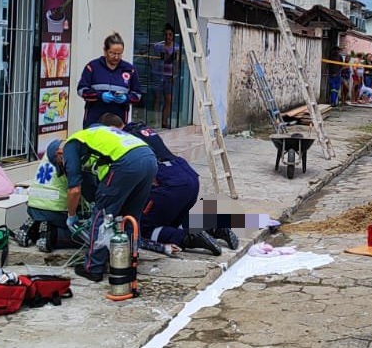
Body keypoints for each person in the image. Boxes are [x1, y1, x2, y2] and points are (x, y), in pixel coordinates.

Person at [99, 113, 237, 255]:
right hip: (187, 174)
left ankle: (187, 238)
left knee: (142, 229)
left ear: (111, 129)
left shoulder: (124, 139)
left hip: (168, 182)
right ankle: (213, 228)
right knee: (174, 219)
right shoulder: (140, 129)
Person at [53, 124, 158, 282]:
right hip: (149, 158)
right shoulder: (94, 134)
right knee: (130, 217)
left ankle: (93, 268)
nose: (65, 166)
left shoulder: (70, 145)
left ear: (59, 155)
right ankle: (125, 263)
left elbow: (74, 190)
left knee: (102, 216)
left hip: (127, 163)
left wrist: (71, 215)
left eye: (62, 164)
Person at [13, 139, 95, 253]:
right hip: (56, 210)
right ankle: (52, 235)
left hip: (33, 206)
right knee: (85, 235)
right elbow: (78, 190)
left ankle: (36, 227)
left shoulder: (51, 151)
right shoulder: (75, 157)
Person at [77, 32, 141, 128]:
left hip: (118, 122)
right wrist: (99, 95)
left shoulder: (130, 70)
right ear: (105, 51)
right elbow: (81, 90)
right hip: (94, 119)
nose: (116, 57)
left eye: (119, 54)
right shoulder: (92, 67)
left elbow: (137, 95)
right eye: (112, 53)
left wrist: (126, 98)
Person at [152, 24, 179, 129]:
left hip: (169, 76)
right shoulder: (158, 46)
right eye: (166, 34)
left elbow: (176, 63)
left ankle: (164, 121)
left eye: (170, 35)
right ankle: (156, 121)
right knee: (157, 98)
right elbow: (153, 59)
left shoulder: (176, 47)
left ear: (173, 36)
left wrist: (174, 75)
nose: (168, 37)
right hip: (159, 75)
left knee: (168, 100)